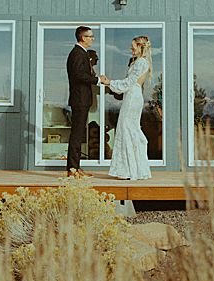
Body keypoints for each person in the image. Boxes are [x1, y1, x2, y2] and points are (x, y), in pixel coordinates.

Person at [101, 35, 153, 180]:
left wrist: (109, 82)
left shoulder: (141, 63)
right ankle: (131, 168)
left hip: (132, 97)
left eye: (133, 47)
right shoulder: (138, 62)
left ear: (140, 47)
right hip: (132, 96)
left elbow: (128, 83)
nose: (131, 50)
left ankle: (132, 169)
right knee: (130, 129)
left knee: (127, 129)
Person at [65, 26, 99, 173]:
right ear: (83, 38)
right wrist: (96, 80)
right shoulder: (77, 54)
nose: (92, 39)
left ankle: (75, 167)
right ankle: (73, 168)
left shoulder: (81, 53)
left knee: (78, 134)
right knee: (77, 134)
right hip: (79, 100)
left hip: (82, 100)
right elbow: (79, 75)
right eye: (90, 36)